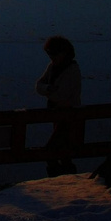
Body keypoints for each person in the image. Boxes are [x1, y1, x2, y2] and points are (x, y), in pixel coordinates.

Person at [35, 35, 81, 177]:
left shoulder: (72, 70)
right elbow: (39, 86)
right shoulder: (52, 67)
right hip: (57, 116)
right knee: (62, 152)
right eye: (50, 54)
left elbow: (61, 95)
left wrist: (47, 90)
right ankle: (66, 181)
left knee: (52, 151)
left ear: (64, 53)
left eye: (54, 54)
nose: (51, 57)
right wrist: (49, 89)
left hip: (68, 117)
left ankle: (61, 180)